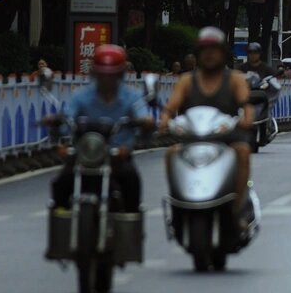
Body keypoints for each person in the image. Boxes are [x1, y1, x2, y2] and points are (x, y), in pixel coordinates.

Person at [50, 44, 154, 214]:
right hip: (85, 156)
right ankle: (60, 228)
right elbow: (68, 118)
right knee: (61, 184)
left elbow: (143, 115)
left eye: (112, 75)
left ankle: (130, 230)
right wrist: (57, 122)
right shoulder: (81, 96)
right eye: (103, 75)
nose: (107, 80)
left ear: (120, 74)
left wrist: (146, 121)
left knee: (132, 182)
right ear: (95, 74)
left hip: (117, 157)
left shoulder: (132, 97)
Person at [161, 27, 254, 212]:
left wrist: (247, 120)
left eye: (214, 50)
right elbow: (170, 108)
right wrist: (164, 121)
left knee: (243, 152)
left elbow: (247, 106)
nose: (209, 55)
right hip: (192, 140)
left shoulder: (235, 79)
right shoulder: (187, 80)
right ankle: (178, 206)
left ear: (223, 53)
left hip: (226, 140)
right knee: (171, 153)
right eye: (205, 50)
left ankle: (238, 207)